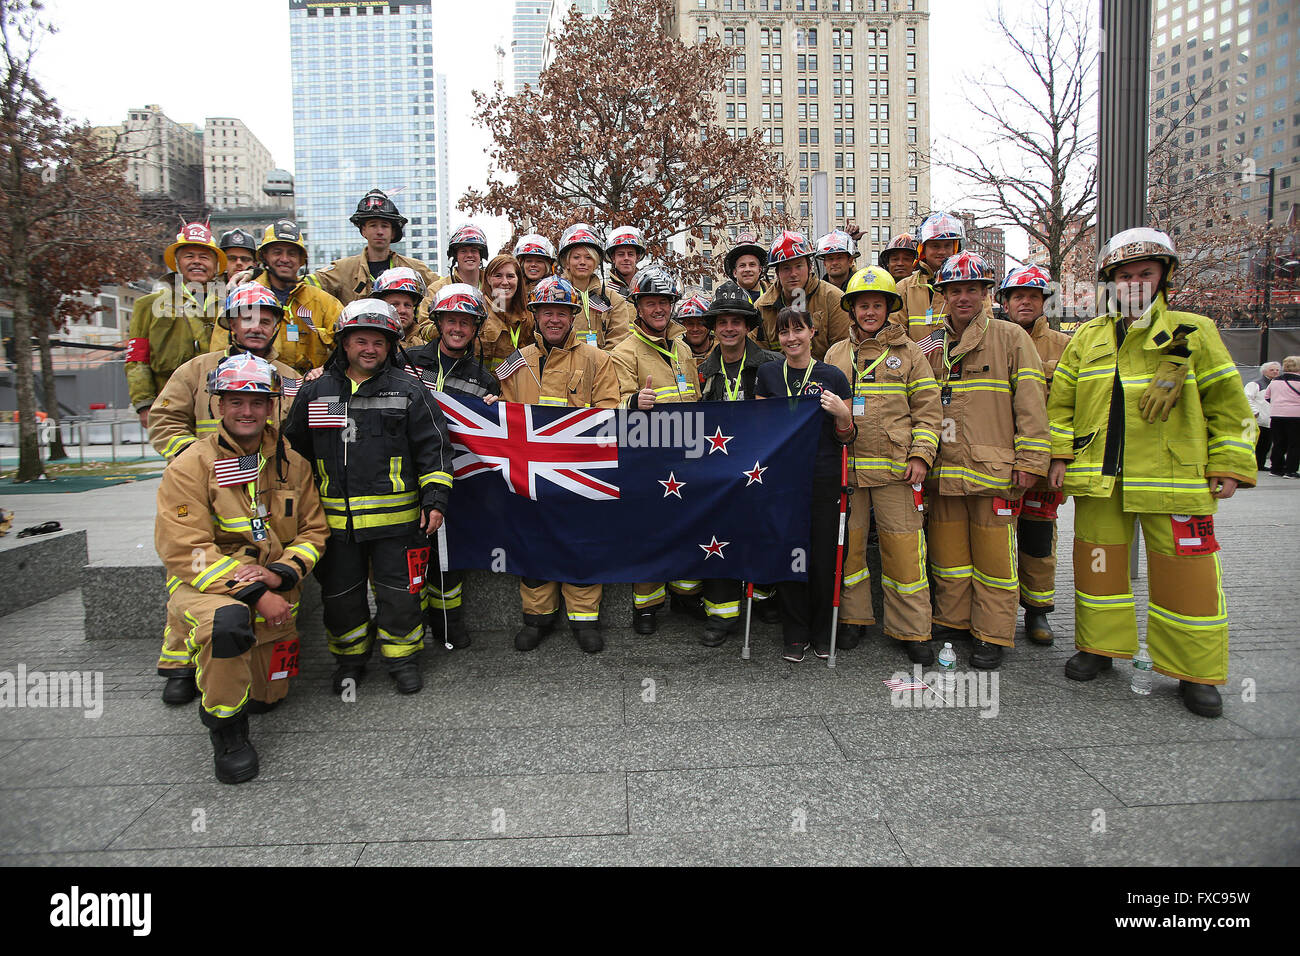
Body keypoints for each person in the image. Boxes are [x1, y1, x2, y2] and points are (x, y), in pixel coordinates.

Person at [1048, 227, 1256, 718]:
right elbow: (1060, 406)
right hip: (1102, 477)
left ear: (1164, 276)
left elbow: (1232, 406)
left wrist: (1230, 463)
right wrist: (1058, 456)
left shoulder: (1194, 332)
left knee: (1190, 580)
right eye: (1125, 275)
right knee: (1097, 570)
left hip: (1177, 480)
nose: (1135, 282)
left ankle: (1194, 672)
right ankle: (1099, 648)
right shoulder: (1089, 337)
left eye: (1145, 272)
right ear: (1110, 282)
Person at [154, 353, 327, 783]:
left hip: (273, 584)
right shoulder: (190, 464)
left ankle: (210, 667)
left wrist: (282, 574)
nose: (247, 411)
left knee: (269, 697)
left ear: (271, 407)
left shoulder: (293, 463)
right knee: (228, 625)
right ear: (218, 406)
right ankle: (228, 731)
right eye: (236, 402)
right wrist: (254, 592)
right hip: (206, 586)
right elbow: (184, 548)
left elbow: (314, 531)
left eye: (256, 402)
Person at [281, 298, 454, 696]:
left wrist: (435, 499)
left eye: (379, 342)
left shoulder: (410, 390)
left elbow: (435, 448)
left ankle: (403, 658)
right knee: (341, 598)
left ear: (391, 345)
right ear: (344, 342)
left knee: (401, 595)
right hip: (334, 524)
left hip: (399, 524)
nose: (370, 349)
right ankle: (350, 660)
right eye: (361, 340)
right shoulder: (316, 392)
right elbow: (294, 453)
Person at [149, 284, 302, 707]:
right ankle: (179, 663)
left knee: (261, 562)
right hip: (203, 492)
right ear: (232, 323)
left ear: (276, 327)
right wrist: (198, 465)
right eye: (247, 317)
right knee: (193, 572)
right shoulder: (196, 371)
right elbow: (163, 421)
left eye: (266, 319)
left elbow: (296, 435)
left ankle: (257, 659)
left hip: (265, 495)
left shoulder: (288, 379)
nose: (257, 326)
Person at [926, 251, 1049, 669]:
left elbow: (1032, 404)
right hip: (943, 471)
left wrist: (1031, 461)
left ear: (985, 293)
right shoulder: (930, 342)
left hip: (993, 471)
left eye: (972, 290)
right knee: (949, 557)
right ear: (943, 294)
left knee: (995, 561)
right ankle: (954, 622)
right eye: (955, 290)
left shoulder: (1011, 337)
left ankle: (991, 634)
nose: (963, 297)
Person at [824, 267, 942, 663]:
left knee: (905, 552)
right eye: (863, 305)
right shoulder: (835, 354)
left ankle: (913, 631)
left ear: (890, 308)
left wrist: (921, 455)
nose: (869, 312)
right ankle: (855, 620)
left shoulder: (910, 354)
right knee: (851, 552)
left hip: (897, 471)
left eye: (877, 304)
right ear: (852, 309)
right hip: (850, 472)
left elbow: (928, 412)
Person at [498, 276, 621, 653]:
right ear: (534, 315)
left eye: (561, 312)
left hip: (578, 472)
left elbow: (609, 413)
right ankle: (537, 618)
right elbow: (505, 414)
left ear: (572, 316)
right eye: (546, 311)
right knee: (533, 544)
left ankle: (584, 620)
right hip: (531, 474)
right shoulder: (515, 363)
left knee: (581, 544)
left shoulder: (597, 359)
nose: (554, 319)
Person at [609, 266, 705, 636]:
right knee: (650, 532)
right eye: (651, 302)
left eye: (664, 302)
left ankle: (685, 594)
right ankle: (647, 606)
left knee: (686, 526)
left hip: (686, 456)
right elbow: (609, 404)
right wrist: (633, 400)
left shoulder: (682, 349)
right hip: (648, 459)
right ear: (638, 306)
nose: (659, 309)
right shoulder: (623, 352)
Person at [755, 307, 855, 661]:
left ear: (813, 332)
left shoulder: (834, 375)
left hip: (824, 478)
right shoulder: (768, 374)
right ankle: (794, 632)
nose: (791, 338)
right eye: (784, 332)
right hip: (782, 481)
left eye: (798, 330)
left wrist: (842, 415)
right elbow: (761, 432)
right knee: (790, 556)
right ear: (777, 338)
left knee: (824, 556)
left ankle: (822, 630)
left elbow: (847, 436)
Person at [406, 284, 502, 649]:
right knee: (408, 558)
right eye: (451, 320)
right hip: (407, 474)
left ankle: (449, 626)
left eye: (466, 322)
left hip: (455, 480)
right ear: (438, 322)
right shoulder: (406, 360)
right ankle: (407, 633)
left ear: (476, 328)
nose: (457, 328)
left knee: (448, 559)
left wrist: (493, 408)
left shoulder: (485, 379)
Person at [696, 280, 784, 634]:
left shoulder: (774, 365)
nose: (729, 328)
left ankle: (763, 597)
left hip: (762, 470)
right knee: (717, 538)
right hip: (719, 474)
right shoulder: (701, 370)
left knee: (764, 533)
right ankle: (720, 614)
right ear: (714, 328)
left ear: (748, 325)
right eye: (722, 322)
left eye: (736, 321)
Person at [998, 264, 1072, 646]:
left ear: (1044, 301)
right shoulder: (996, 340)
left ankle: (1038, 612)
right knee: (997, 540)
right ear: (1005, 303)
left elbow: (1071, 407)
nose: (1025, 302)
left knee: (1037, 540)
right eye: (1017, 296)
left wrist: (1059, 456)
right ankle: (1000, 613)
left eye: (1033, 296)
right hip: (999, 462)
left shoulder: (1064, 346)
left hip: (1042, 466)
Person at [209, 220, 343, 376]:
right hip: (255, 387)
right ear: (264, 256)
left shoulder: (323, 303)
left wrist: (325, 370)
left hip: (310, 389)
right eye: (277, 252)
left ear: (301, 260)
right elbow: (219, 352)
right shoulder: (241, 297)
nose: (284, 259)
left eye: (292, 253)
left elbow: (348, 345)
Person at [126, 221, 227, 427]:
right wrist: (144, 403)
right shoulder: (149, 305)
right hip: (171, 401)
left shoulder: (232, 303)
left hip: (220, 401)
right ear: (177, 262)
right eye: (189, 256)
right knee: (180, 457)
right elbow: (137, 359)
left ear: (216, 265)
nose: (197, 262)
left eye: (204, 257)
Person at [304, 188, 437, 304]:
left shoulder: (414, 269)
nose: (379, 231)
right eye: (373, 225)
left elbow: (444, 287)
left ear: (393, 232)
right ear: (363, 231)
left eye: (384, 226)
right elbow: (301, 285)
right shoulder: (342, 270)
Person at [756, 230, 850, 360]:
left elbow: (842, 352)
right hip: (778, 377)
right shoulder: (762, 307)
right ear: (777, 272)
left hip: (825, 376)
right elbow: (758, 355)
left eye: (799, 266)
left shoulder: (834, 299)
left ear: (809, 267)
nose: (793, 273)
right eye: (786, 268)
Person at [891, 212, 965, 344]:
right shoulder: (904, 288)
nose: (942, 251)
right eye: (935, 246)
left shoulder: (971, 285)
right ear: (923, 248)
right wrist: (917, 359)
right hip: (917, 362)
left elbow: (982, 327)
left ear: (955, 247)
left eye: (947, 245)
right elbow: (895, 331)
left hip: (959, 362)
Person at [557, 223, 633, 350]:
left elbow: (618, 342)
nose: (582, 262)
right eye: (576, 257)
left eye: (588, 257)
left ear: (596, 263)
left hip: (603, 367)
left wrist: (600, 364)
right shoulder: (555, 296)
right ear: (567, 263)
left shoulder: (613, 300)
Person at [478, 254, 534, 374]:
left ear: (519, 280)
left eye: (510, 276)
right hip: (484, 390)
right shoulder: (477, 313)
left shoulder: (529, 316)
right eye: (498, 276)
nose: (505, 282)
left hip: (520, 387)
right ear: (488, 279)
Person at [372, 266, 428, 351]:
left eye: (407, 305)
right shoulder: (370, 346)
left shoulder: (424, 348)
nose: (402, 310)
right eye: (394, 305)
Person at [1263, 355, 1300, 478]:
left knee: (1278, 442)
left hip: (1276, 415)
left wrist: (1278, 404)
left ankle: (1276, 469)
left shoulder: (1275, 381)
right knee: (1294, 444)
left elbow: (1267, 397)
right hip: (1295, 416)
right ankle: (1290, 470)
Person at [1245, 361, 1280, 471]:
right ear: (1264, 371)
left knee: (1266, 444)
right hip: (1258, 420)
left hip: (1270, 420)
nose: (1275, 372)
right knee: (1256, 443)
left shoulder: (1278, 385)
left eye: (1277, 370)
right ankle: (1251, 464)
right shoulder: (1255, 384)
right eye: (1272, 370)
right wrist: (1255, 412)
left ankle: (1260, 464)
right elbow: (1247, 398)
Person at [721, 232, 769, 305]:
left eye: (752, 265)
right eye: (742, 265)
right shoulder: (723, 300)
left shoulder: (774, 295)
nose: (747, 269)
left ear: (760, 270)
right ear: (734, 272)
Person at [605, 226, 648, 299]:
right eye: (621, 254)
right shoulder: (603, 291)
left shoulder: (647, 287)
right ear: (613, 258)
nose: (626, 258)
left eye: (630, 254)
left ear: (637, 258)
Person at [513, 233, 557, 298]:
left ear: (547, 266)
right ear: (522, 265)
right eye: (529, 261)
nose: (533, 265)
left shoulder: (557, 290)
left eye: (539, 261)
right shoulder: (513, 290)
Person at [674, 291, 714, 361]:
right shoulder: (674, 353)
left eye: (700, 323)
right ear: (683, 326)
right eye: (690, 324)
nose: (695, 329)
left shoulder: (723, 351)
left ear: (709, 326)